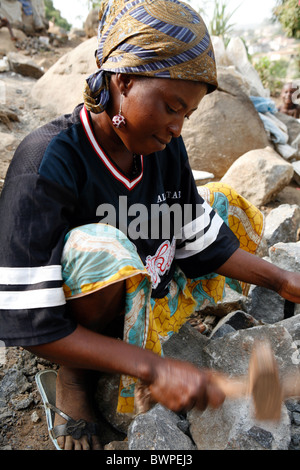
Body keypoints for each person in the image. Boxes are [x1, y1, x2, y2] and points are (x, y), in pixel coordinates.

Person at [1, 0, 300, 451]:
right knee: (99, 245)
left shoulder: (163, 150)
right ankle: (76, 378)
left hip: (146, 281)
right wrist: (154, 368)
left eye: (187, 115)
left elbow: (201, 241)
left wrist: (283, 280)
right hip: (71, 311)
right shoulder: (46, 160)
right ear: (124, 81)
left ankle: (140, 332)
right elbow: (27, 320)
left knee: (222, 202)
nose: (178, 127)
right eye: (171, 106)